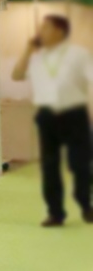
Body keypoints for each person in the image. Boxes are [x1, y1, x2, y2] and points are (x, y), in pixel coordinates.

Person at [12, 14, 92, 226]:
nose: (40, 32)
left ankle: (86, 204)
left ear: (59, 31)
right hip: (47, 115)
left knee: (80, 163)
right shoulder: (36, 57)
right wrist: (28, 50)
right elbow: (17, 75)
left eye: (45, 28)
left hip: (74, 113)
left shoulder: (78, 54)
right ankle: (55, 212)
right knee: (49, 165)